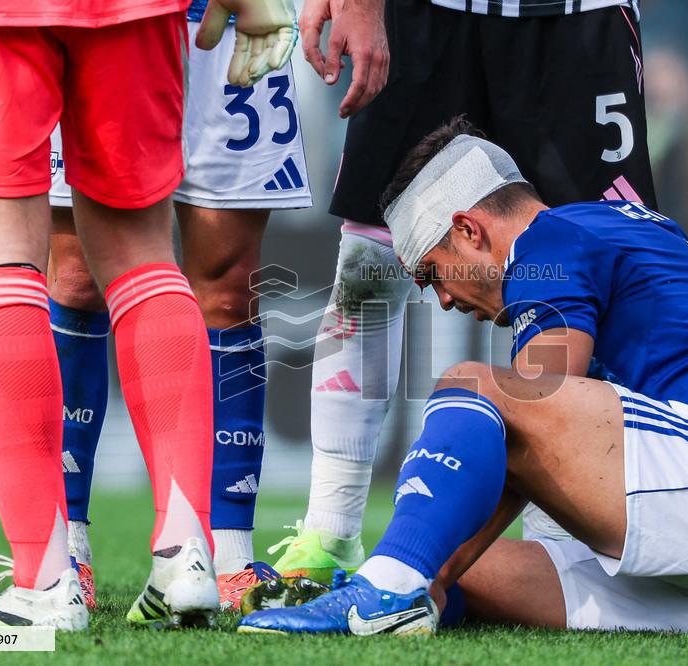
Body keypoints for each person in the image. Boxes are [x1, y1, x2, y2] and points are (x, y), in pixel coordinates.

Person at [237, 122, 688, 635]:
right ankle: (390, 589)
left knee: (478, 388)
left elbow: (534, 402)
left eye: (432, 273)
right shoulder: (612, 228)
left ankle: (384, 590)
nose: (443, 300)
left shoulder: (549, 240)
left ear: (470, 229)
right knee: (462, 565)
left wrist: (409, 567)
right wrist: (435, 572)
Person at [0, 0, 295, 630]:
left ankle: (44, 585)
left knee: (0, 256)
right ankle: (187, 554)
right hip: (136, 11)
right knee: (142, 253)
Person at [270, 0, 658, 584]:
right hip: (427, 12)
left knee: (589, 262)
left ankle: (558, 547)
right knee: (369, 266)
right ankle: (330, 531)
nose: (446, 300)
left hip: (578, 15)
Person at [46, 0, 311, 613]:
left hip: (224, 20)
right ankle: (67, 552)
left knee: (227, 284)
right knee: (78, 277)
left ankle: (228, 553)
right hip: (100, 18)